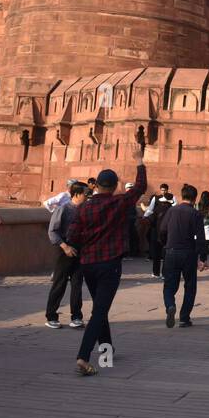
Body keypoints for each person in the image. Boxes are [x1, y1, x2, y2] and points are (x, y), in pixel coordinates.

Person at [61, 155, 147, 376]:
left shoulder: (83, 209)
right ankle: (83, 356)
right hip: (110, 264)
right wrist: (139, 162)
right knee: (100, 309)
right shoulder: (118, 203)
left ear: (96, 185)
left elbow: (71, 235)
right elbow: (139, 188)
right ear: (116, 185)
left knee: (101, 307)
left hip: (88, 264)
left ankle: (107, 349)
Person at [159, 184, 209, 326]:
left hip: (171, 251)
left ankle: (170, 305)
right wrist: (203, 258)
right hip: (189, 253)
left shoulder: (172, 211)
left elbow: (162, 230)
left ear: (182, 196)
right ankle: (184, 318)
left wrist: (166, 244)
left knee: (169, 285)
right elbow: (201, 238)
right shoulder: (196, 214)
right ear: (194, 199)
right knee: (190, 286)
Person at [45, 181, 89, 328]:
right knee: (60, 283)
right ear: (76, 194)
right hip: (64, 249)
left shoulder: (85, 210)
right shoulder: (63, 209)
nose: (87, 196)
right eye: (85, 193)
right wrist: (65, 247)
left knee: (77, 284)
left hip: (79, 250)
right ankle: (51, 316)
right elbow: (52, 231)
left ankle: (76, 316)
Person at [144, 183, 176, 276]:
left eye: (164, 190)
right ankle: (163, 273)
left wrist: (145, 218)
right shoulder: (170, 206)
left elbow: (149, 211)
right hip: (166, 232)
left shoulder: (160, 206)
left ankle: (156, 272)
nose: (163, 191)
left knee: (157, 253)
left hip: (157, 231)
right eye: (162, 190)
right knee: (164, 253)